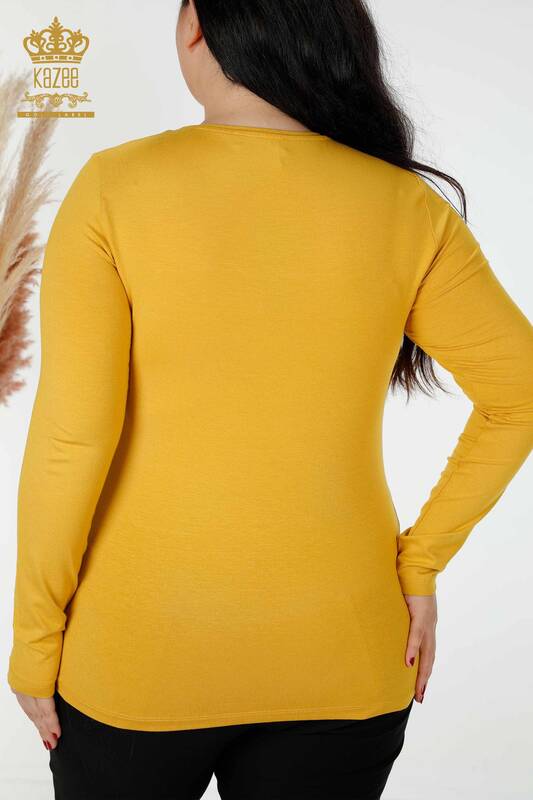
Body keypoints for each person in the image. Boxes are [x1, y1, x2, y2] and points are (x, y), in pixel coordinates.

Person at [7, 1, 533, 798]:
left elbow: (73, 441)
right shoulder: (405, 207)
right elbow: (519, 394)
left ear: (195, 28)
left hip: (139, 662)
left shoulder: (115, 187)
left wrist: (35, 641)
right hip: (346, 658)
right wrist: (418, 562)